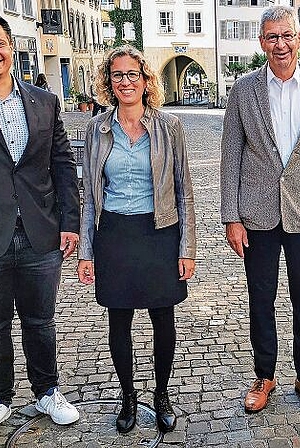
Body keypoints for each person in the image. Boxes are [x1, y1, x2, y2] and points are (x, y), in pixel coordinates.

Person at [0, 11, 81, 442]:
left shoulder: (44, 101)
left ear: (11, 46)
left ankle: (47, 390)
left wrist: (69, 222)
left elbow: (63, 163)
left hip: (40, 232)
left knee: (40, 321)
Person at [220, 5, 300, 414]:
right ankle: (265, 374)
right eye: (272, 37)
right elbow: (230, 157)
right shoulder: (243, 90)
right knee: (261, 297)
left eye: (287, 35)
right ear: (261, 42)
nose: (281, 44)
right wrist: (231, 217)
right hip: (257, 214)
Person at [77, 45, 196, 434]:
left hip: (160, 232)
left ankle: (161, 395)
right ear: (108, 82)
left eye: (133, 74)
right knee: (119, 320)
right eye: (117, 75)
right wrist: (87, 250)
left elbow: (184, 191)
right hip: (114, 233)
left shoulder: (169, 126)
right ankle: (128, 396)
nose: (125, 82)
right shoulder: (96, 128)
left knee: (164, 319)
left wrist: (187, 248)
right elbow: (91, 194)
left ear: (146, 81)